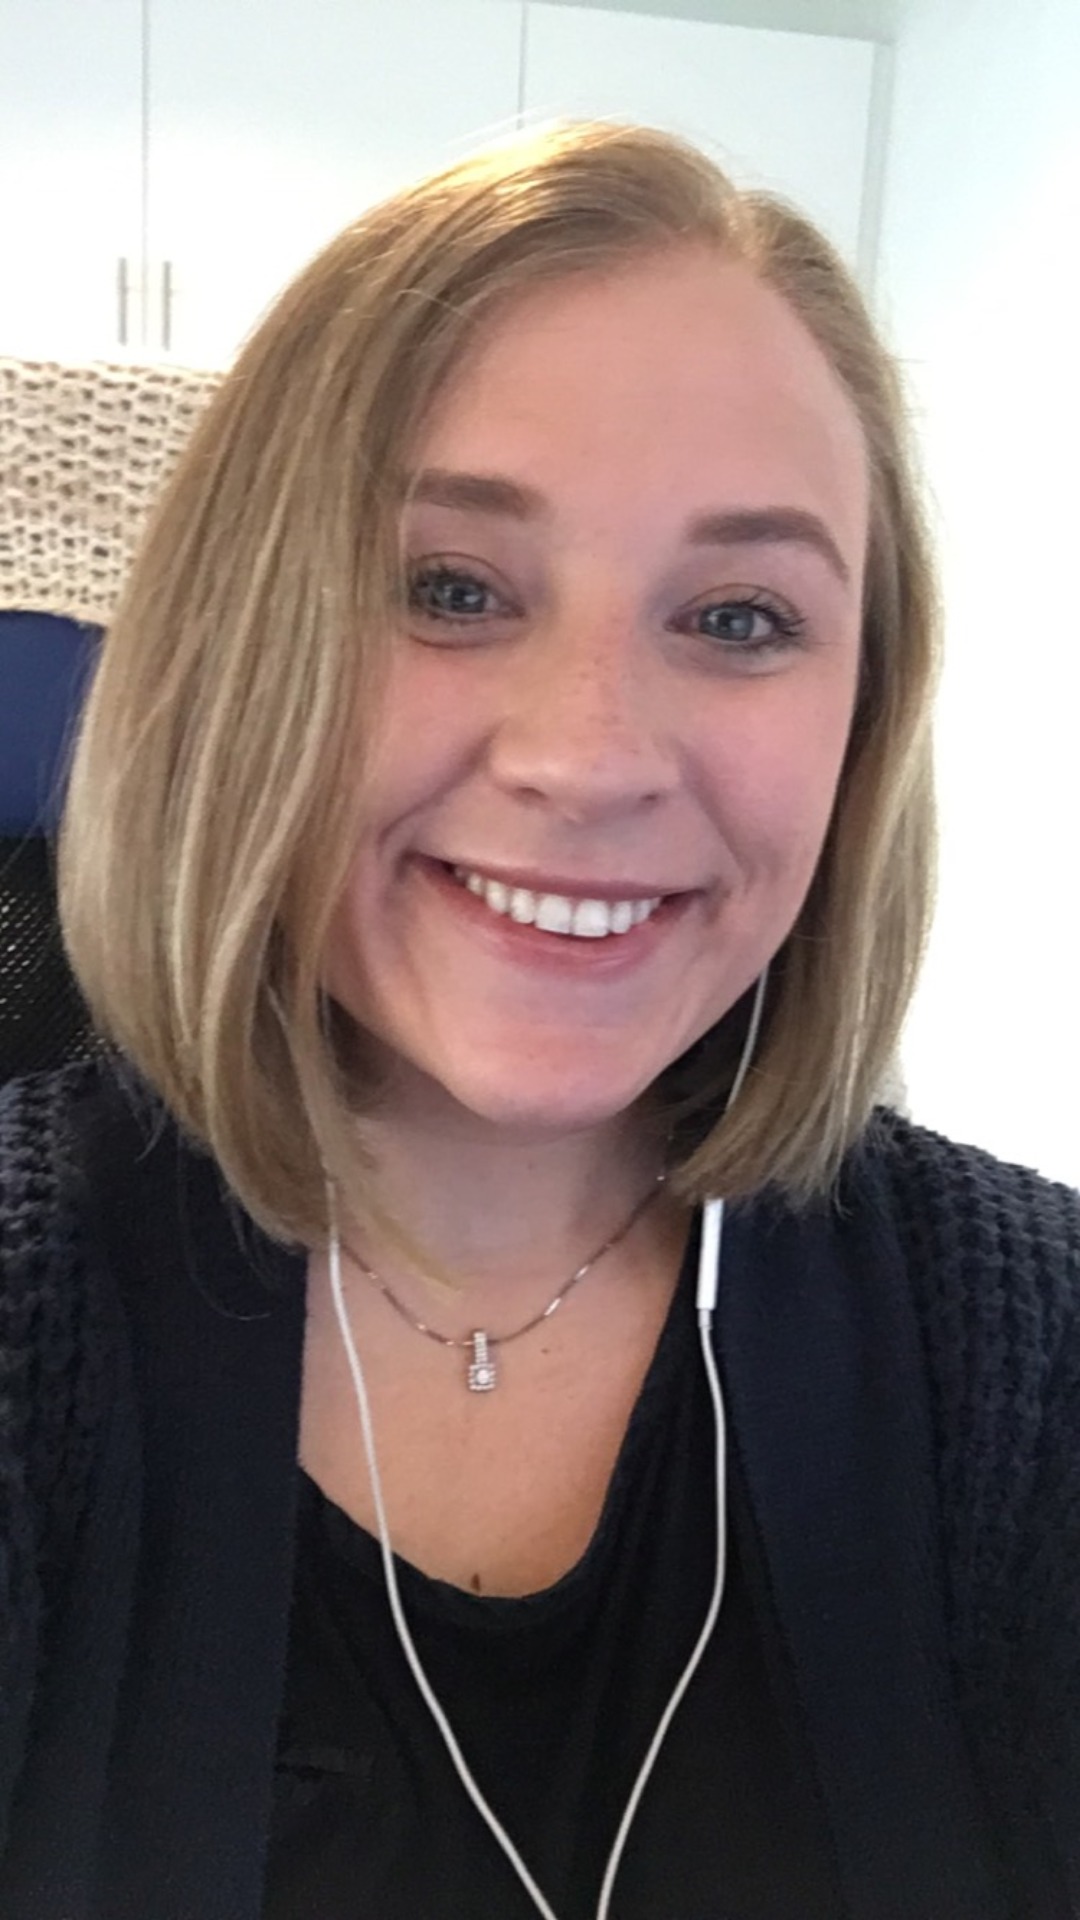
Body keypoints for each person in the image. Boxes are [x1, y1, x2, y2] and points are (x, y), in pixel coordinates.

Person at [0, 120, 1076, 1920]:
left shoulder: (1032, 1357)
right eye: (452, 589)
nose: (588, 757)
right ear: (237, 649)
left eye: (740, 617)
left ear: (863, 720)